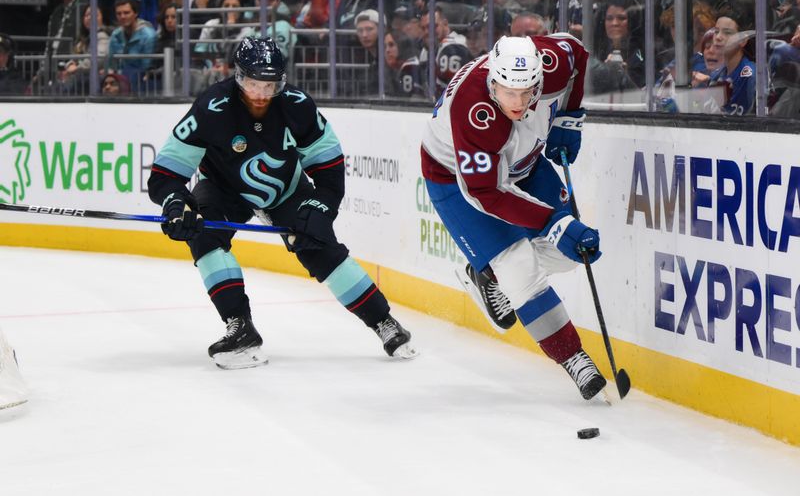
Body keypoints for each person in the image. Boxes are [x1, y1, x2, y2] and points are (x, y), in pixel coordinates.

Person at [147, 36, 418, 369]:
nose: (261, 94)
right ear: (237, 76)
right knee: (203, 235)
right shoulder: (211, 108)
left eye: (270, 85)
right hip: (222, 188)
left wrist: (322, 207)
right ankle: (240, 327)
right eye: (252, 83)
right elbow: (164, 174)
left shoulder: (298, 105)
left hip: (287, 190)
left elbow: (330, 169)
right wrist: (176, 203)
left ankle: (384, 321)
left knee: (319, 248)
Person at [421, 34, 608, 401]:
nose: (519, 103)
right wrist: (554, 224)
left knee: (571, 253)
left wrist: (570, 117)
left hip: (525, 163)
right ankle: (574, 358)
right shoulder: (475, 112)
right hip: (458, 181)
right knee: (521, 267)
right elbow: (487, 193)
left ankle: (487, 273)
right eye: (508, 92)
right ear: (493, 81)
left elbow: (577, 51)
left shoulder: (551, 63)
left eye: (528, 92)